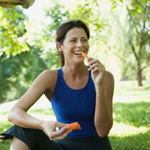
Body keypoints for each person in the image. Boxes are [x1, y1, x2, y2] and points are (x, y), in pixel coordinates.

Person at [0, 20, 114, 150]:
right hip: (62, 146)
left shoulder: (104, 77)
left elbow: (103, 131)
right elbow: (14, 113)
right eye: (73, 41)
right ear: (60, 46)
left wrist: (99, 85)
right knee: (21, 129)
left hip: (96, 146)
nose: (80, 45)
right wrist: (43, 124)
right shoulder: (50, 77)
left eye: (84, 40)